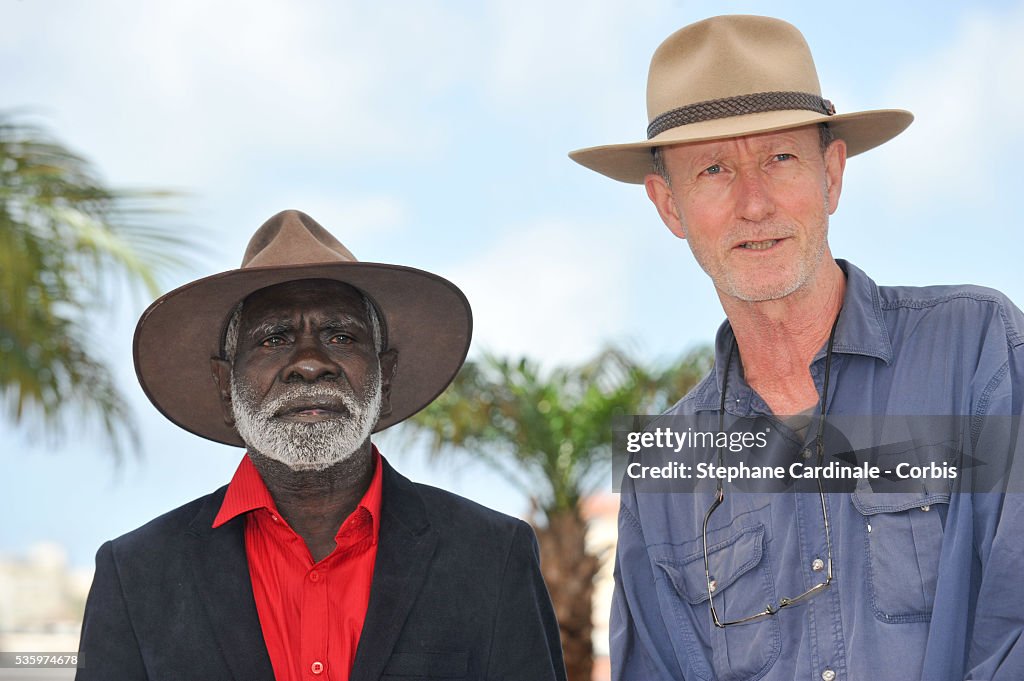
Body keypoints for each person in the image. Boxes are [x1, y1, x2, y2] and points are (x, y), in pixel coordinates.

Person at [569, 15, 1023, 681]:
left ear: (831, 175)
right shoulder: (664, 471)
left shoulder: (978, 347)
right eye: (715, 169)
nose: (754, 202)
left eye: (781, 158)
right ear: (670, 206)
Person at [75, 210, 567, 681]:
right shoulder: (137, 573)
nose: (310, 363)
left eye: (340, 336)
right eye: (273, 339)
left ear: (386, 376)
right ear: (226, 385)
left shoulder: (491, 555)